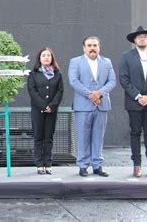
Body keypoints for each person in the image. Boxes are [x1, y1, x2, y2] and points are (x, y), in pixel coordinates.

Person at [119, 26, 147, 178]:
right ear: (134, 40)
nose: (142, 38)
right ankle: (136, 166)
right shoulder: (126, 56)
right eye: (139, 37)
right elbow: (124, 79)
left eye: (145, 36)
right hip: (134, 101)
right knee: (135, 133)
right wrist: (139, 96)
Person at [68, 36, 116, 177]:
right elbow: (74, 81)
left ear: (99, 47)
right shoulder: (75, 62)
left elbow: (112, 81)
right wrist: (91, 95)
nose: (92, 48)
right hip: (83, 106)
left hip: (101, 105)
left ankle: (97, 165)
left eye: (95, 45)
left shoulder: (107, 62)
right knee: (83, 137)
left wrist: (99, 93)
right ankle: (83, 166)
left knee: (98, 137)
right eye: (89, 45)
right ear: (84, 48)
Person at [27, 47, 64, 175]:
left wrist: (52, 106)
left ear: (52, 58)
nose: (47, 57)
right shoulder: (33, 74)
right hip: (38, 110)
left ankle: (48, 163)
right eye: (44, 55)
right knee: (38, 137)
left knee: (49, 137)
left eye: (49, 55)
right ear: (39, 58)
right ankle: (39, 164)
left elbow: (60, 91)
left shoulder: (58, 74)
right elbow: (32, 91)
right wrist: (43, 106)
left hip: (52, 111)